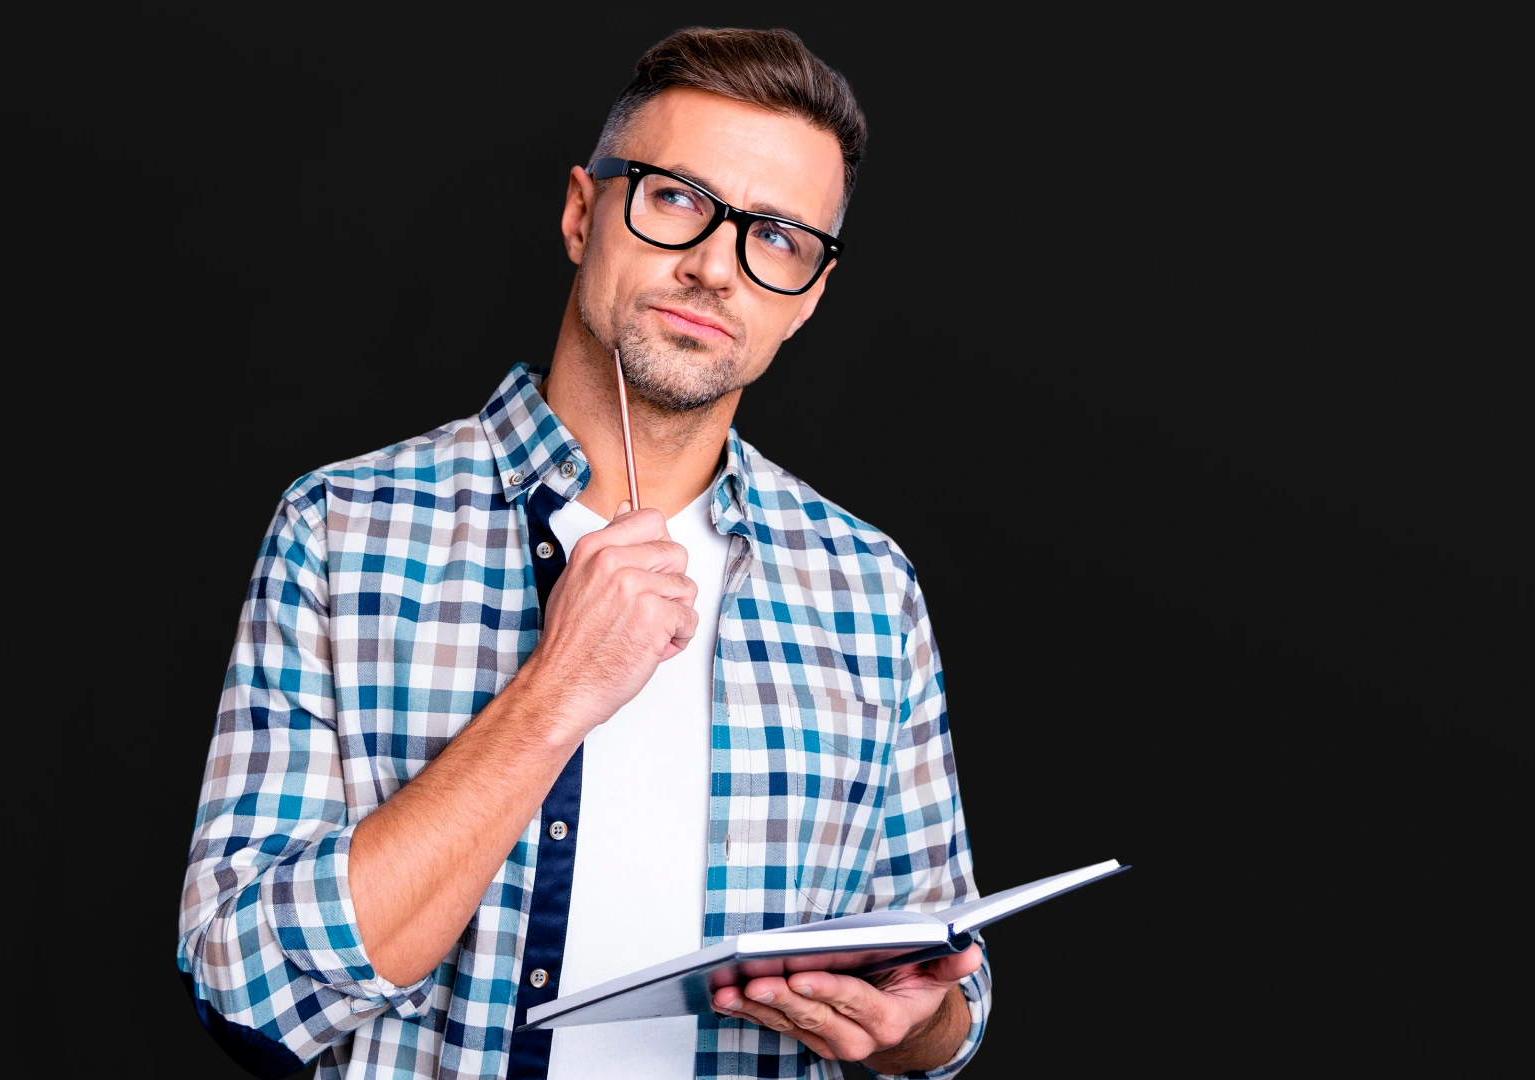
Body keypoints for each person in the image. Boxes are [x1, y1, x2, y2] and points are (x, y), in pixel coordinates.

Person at [178, 27, 987, 1080]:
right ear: (580, 213)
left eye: (778, 238)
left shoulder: (867, 588)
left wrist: (915, 1025)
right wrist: (557, 689)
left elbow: (947, 998)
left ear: (810, 295)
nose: (714, 268)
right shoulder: (345, 527)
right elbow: (245, 992)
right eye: (676, 199)